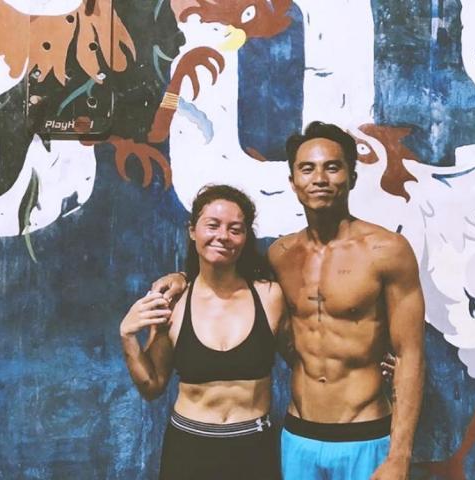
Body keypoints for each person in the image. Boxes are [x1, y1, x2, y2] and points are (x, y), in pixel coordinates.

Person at [154, 121, 426, 480]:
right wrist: (181, 279)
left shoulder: (387, 250)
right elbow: (224, 276)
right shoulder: (280, 255)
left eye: (333, 167)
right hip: (297, 436)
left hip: (365, 433)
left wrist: (400, 456)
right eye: (307, 168)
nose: (320, 178)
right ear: (293, 181)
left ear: (352, 177)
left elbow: (411, 355)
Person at [120, 184, 285, 480]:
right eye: (213, 225)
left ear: (245, 238)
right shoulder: (174, 302)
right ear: (192, 231)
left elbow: (308, 359)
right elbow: (152, 386)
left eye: (235, 229)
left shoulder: (269, 296)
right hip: (189, 450)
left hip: (253, 449)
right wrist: (127, 336)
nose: (223, 236)